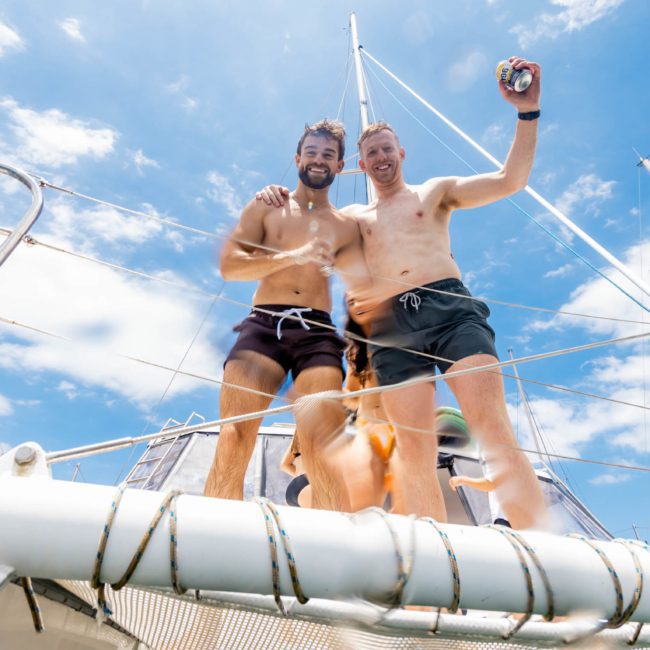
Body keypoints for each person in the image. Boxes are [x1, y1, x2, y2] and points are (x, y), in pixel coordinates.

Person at [257, 57, 547, 528]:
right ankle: (433, 574)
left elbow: (510, 180)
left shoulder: (435, 193)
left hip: (449, 308)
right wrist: (277, 194)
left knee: (493, 430)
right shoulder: (353, 218)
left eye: (387, 148)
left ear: (401, 152)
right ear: (360, 164)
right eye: (371, 153)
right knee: (412, 448)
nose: (381, 158)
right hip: (392, 328)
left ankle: (542, 558)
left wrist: (527, 112)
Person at [203, 119, 365, 510]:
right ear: (297, 157)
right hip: (263, 324)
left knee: (319, 439)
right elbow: (229, 267)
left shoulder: (347, 225)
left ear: (340, 166)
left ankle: (337, 551)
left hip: (317, 332)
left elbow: (369, 284)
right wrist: (294, 256)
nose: (318, 160)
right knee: (235, 433)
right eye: (311, 152)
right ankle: (212, 542)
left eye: (328, 155)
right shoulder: (267, 204)